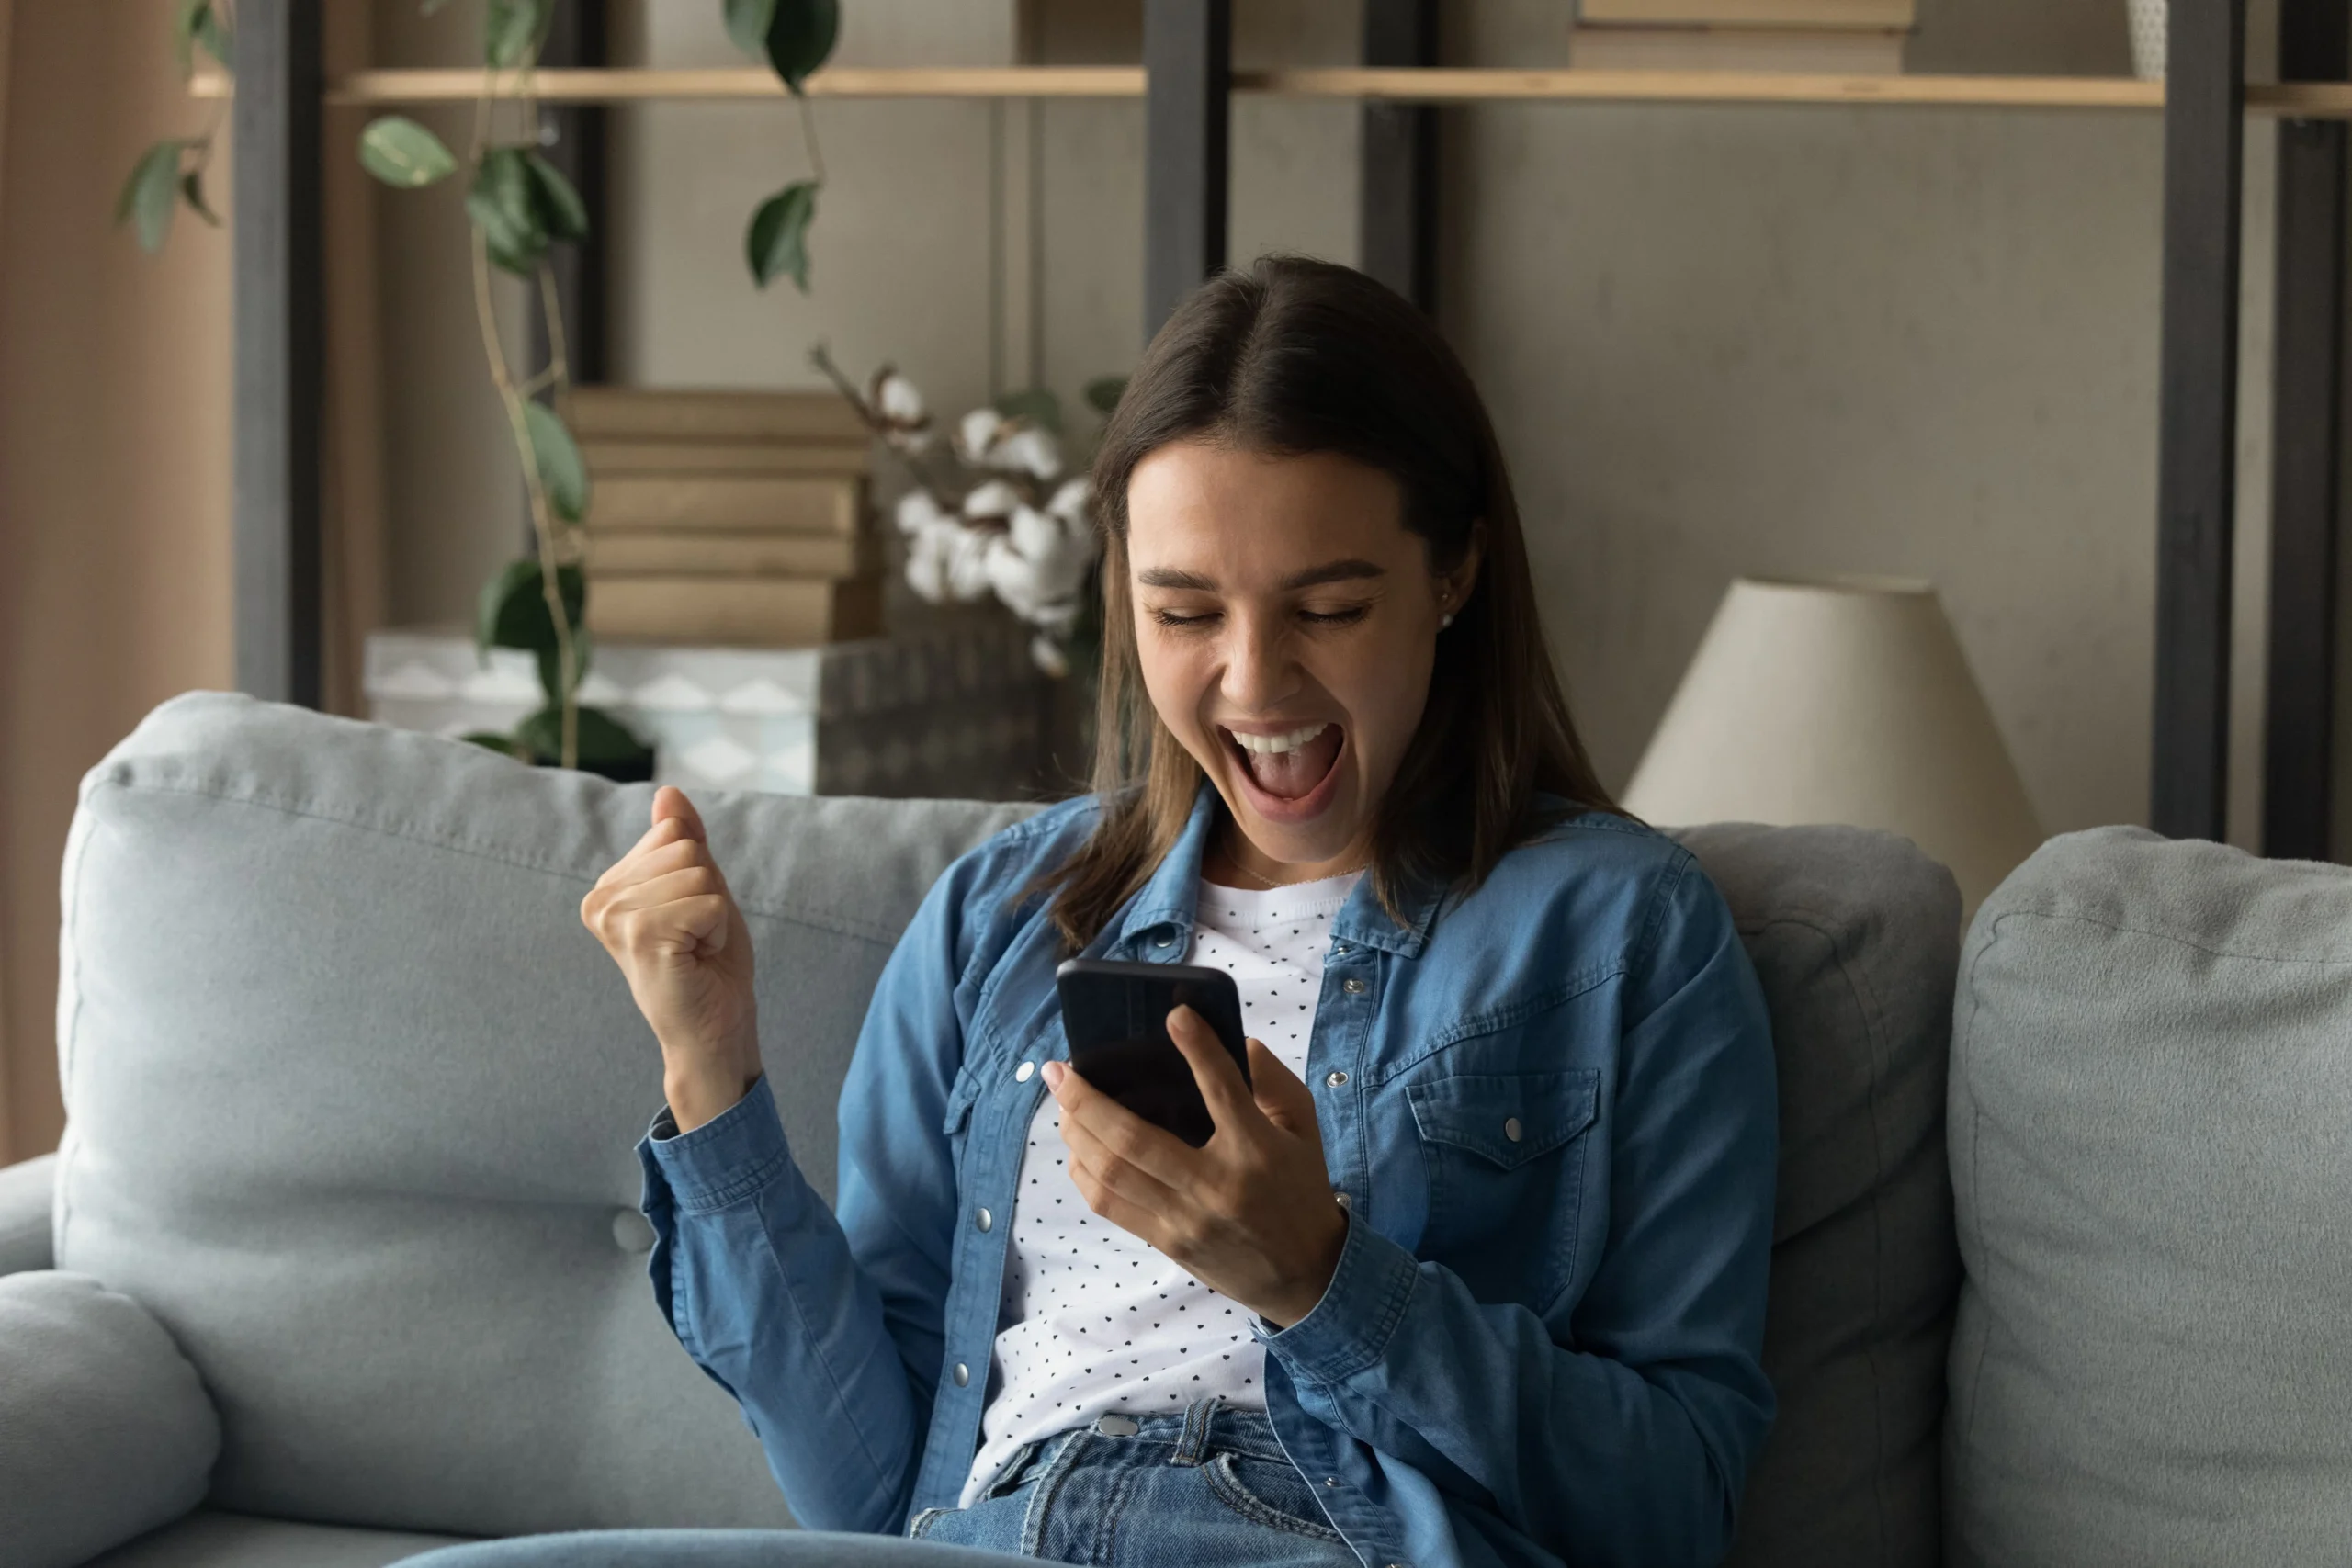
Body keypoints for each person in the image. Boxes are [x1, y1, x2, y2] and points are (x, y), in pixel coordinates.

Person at [417, 254, 1778, 1568]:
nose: (1255, 683)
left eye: (1331, 606)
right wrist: (710, 1069)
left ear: (1455, 574)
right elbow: (867, 1486)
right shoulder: (998, 921)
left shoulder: (1619, 934)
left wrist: (1322, 1275)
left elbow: (1676, 1502)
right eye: (1185, 611)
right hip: (993, 1535)